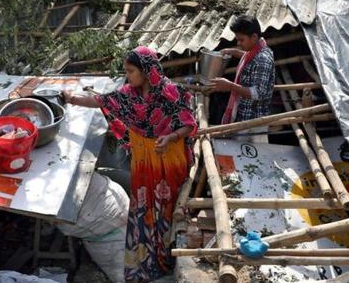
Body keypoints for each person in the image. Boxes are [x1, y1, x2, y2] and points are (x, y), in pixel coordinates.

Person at [63, 46, 197, 282]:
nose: (127, 76)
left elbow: (188, 123)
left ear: (146, 71)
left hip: (168, 160)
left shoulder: (171, 93)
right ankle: (148, 258)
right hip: (145, 163)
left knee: (167, 209)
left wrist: (171, 137)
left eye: (131, 71)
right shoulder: (130, 95)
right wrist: (72, 99)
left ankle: (168, 257)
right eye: (126, 71)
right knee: (145, 209)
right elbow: (102, 101)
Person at [210, 15, 275, 142]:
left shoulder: (262, 59)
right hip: (244, 115)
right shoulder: (256, 51)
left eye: (241, 40)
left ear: (254, 37)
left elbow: (257, 93)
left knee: (255, 157)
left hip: (254, 122)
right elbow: (249, 58)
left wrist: (230, 86)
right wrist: (233, 52)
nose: (239, 43)